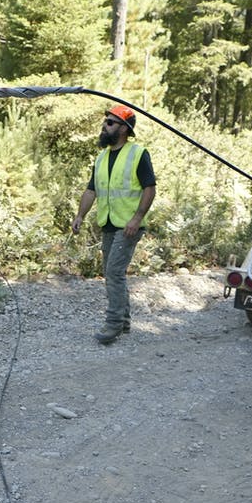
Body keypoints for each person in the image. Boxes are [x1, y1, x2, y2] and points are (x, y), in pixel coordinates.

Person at [70, 105, 157, 344]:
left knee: (114, 272)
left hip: (128, 225)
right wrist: (80, 215)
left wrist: (137, 218)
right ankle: (125, 321)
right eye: (105, 122)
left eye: (110, 122)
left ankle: (113, 324)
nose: (104, 126)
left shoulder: (138, 153)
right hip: (108, 222)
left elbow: (150, 188)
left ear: (123, 129)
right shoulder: (101, 158)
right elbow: (91, 190)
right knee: (113, 274)